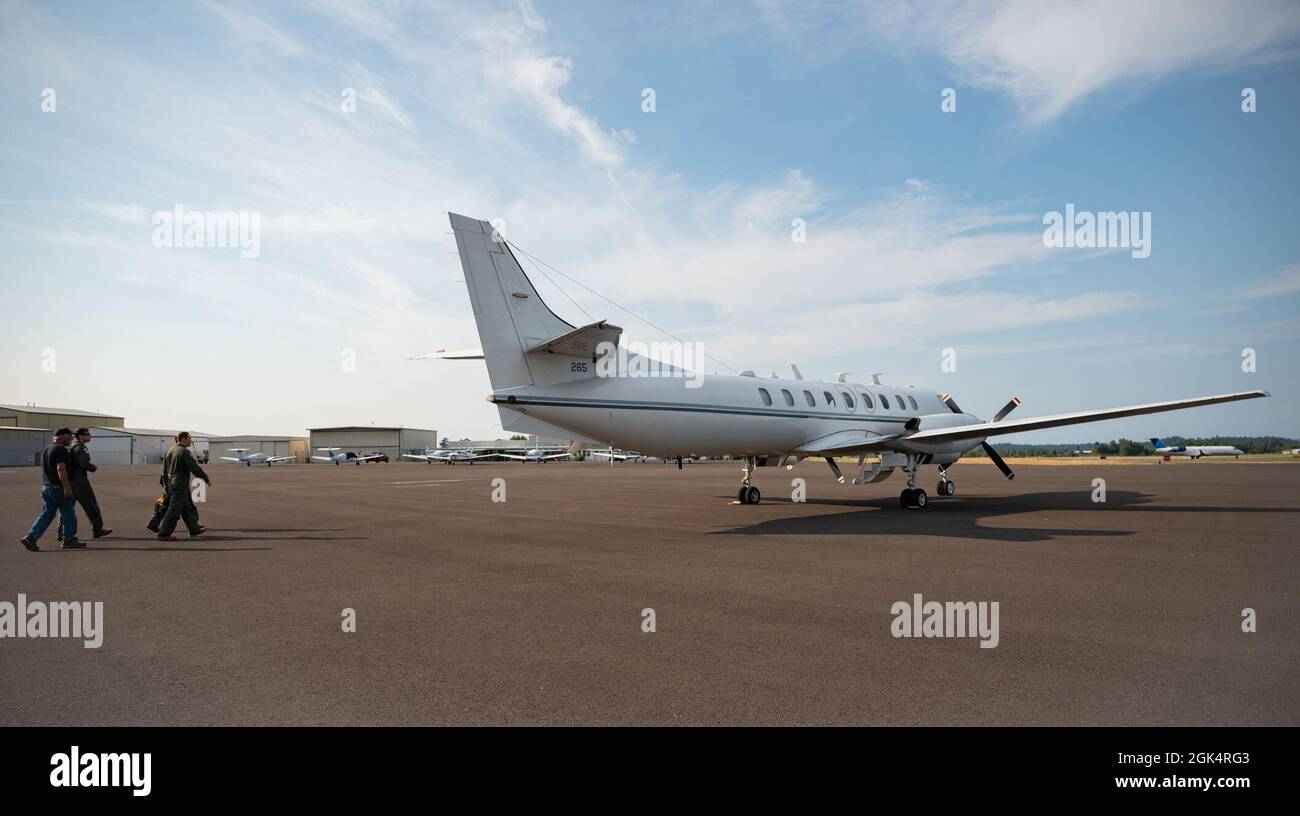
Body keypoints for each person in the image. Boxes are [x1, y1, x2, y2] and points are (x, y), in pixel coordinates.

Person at [18, 428, 82, 551]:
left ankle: (31, 537)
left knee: (47, 514)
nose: (72, 439)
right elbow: (60, 469)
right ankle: (69, 539)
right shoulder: (60, 449)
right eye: (70, 437)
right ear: (63, 436)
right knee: (68, 513)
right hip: (58, 488)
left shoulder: (47, 448)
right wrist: (67, 487)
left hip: (46, 487)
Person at [57, 427, 111, 540]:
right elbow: (84, 463)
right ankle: (97, 529)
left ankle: (61, 533)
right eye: (86, 434)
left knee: (67, 508)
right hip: (79, 481)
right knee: (91, 505)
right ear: (80, 436)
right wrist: (93, 467)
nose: (89, 436)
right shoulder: (81, 448)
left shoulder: (70, 446)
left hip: (69, 480)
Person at [156, 431, 210, 540]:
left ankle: (194, 529)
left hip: (173, 484)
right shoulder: (184, 452)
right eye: (190, 439)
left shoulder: (169, 450)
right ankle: (164, 534)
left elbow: (164, 470)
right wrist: (205, 478)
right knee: (174, 510)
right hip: (180, 484)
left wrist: (166, 485)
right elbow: (194, 467)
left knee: (187, 507)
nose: (191, 441)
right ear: (184, 439)